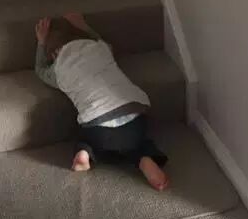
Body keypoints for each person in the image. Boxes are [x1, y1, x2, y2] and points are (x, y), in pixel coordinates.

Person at [34, 12, 169, 191]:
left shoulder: (58, 70)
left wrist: (41, 43)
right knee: (138, 142)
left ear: (53, 54)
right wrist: (84, 25)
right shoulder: (99, 47)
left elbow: (40, 70)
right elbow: (104, 42)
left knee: (86, 139)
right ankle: (143, 158)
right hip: (134, 115)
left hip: (99, 127)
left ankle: (85, 153)